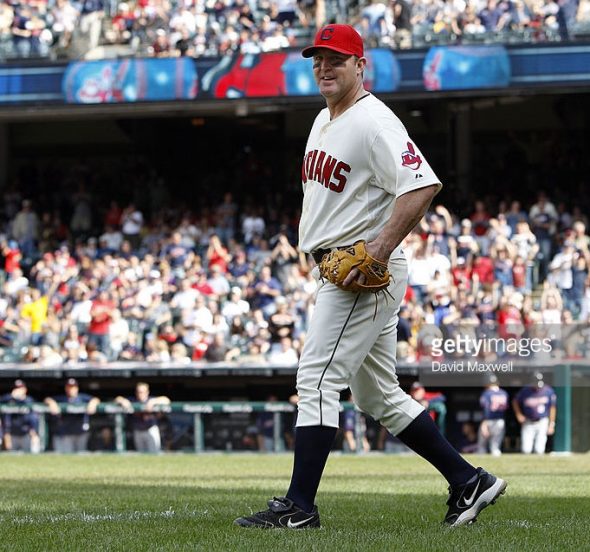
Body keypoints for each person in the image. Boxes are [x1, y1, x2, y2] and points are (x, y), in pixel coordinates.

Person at [235, 24, 506, 530]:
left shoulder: (375, 122)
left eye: (336, 59)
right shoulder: (323, 118)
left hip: (362, 273)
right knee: (377, 395)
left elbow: (421, 186)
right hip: (339, 266)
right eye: (317, 58)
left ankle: (299, 507)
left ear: (360, 66)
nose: (324, 67)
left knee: (317, 379)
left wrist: (377, 251)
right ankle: (469, 481)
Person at [44, 378, 101, 453]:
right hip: (66, 433)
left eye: (73, 387)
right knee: (68, 455)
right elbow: (47, 399)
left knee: (81, 455)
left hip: (81, 432)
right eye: (69, 387)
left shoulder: (82, 398)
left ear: (77, 388)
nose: (71, 389)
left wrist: (93, 403)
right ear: (66, 388)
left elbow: (96, 399)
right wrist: (51, 403)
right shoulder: (62, 398)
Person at [115, 382, 170, 453]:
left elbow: (166, 400)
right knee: (141, 455)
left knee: (154, 454)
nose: (140, 394)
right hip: (137, 431)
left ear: (147, 392)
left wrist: (154, 401)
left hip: (150, 430)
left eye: (142, 392)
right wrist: (123, 401)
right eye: (138, 392)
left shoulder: (151, 400)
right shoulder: (133, 400)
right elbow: (117, 399)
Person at [513, 372, 557, 454]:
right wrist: (519, 414)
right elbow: (515, 401)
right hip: (528, 421)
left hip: (542, 421)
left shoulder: (548, 390)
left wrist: (551, 424)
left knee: (539, 449)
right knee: (526, 449)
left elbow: (552, 408)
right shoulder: (525, 390)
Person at [1, 379, 40, 453]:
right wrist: (11, 396)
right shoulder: (8, 400)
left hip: (26, 434)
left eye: (20, 388)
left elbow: (34, 417)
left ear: (25, 389)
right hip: (12, 434)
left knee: (28, 457)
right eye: (16, 388)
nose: (18, 390)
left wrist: (34, 432)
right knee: (11, 457)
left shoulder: (29, 400)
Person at [477, 375, 509, 456]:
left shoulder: (487, 393)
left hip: (488, 420)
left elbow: (486, 409)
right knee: (495, 446)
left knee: (482, 445)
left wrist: (484, 424)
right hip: (500, 420)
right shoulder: (504, 393)